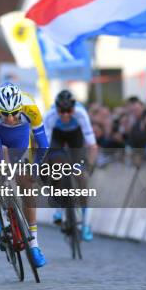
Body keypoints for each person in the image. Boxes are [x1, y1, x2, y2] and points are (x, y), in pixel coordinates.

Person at [0, 82, 48, 267]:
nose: (9, 118)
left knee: (27, 186)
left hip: (20, 136)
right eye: (5, 113)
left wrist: (36, 168)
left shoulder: (31, 107)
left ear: (20, 108)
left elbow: (43, 144)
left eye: (14, 113)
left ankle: (33, 244)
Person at [43, 90, 97, 241]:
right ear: (56, 109)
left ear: (74, 108)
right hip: (57, 136)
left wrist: (90, 167)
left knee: (82, 178)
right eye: (62, 111)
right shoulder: (50, 115)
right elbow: (44, 146)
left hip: (76, 137)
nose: (66, 114)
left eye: (69, 111)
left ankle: (86, 224)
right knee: (56, 166)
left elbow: (92, 145)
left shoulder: (81, 113)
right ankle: (59, 206)